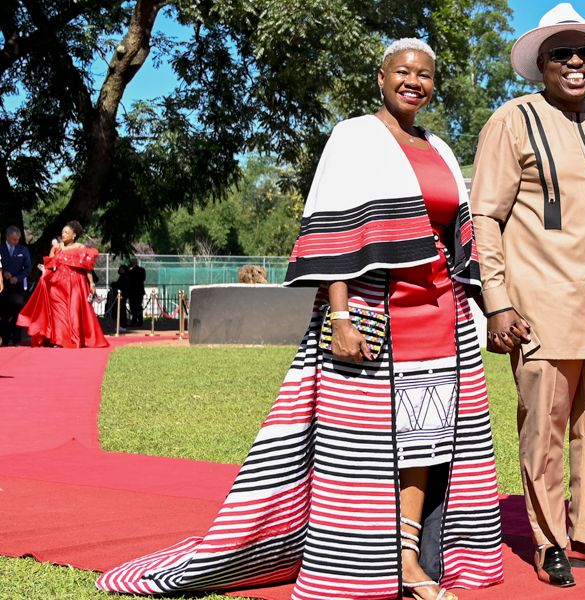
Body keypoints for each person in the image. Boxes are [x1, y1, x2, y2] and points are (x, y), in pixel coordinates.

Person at [97, 39, 504, 600]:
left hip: (440, 313)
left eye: (426, 75)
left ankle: (410, 560)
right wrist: (339, 314)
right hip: (370, 308)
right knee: (359, 444)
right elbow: (334, 227)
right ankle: (358, 565)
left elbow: (459, 233)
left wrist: (488, 307)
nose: (415, 82)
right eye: (404, 72)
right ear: (381, 77)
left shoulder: (439, 146)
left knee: (428, 441)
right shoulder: (354, 136)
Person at [469, 3, 585, 588]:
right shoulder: (511, 121)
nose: (576, 62)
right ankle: (551, 543)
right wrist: (497, 300)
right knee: (544, 432)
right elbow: (485, 216)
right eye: (562, 54)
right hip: (540, 311)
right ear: (541, 64)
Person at [16, 221, 107, 348]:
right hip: (57, 284)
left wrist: (91, 283)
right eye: (62, 232)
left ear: (74, 235)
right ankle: (59, 340)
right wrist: (44, 270)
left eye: (66, 232)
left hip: (76, 283)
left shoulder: (81, 248)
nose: (63, 235)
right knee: (59, 313)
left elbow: (87, 268)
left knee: (73, 312)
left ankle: (74, 339)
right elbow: (50, 266)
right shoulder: (56, 248)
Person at [1, 226, 32, 346]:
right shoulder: (1, 249)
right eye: (14, 239)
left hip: (18, 287)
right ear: (7, 237)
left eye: (18, 239)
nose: (16, 242)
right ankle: (4, 338)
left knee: (17, 313)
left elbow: (28, 268)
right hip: (2, 287)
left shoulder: (23, 250)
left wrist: (18, 277)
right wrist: (3, 273)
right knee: (3, 314)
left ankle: (17, 340)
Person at [127, 257, 146, 326]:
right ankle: (138, 320)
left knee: (134, 306)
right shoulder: (142, 270)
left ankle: (136, 320)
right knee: (137, 306)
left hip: (134, 291)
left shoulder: (132, 271)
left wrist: (129, 268)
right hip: (138, 291)